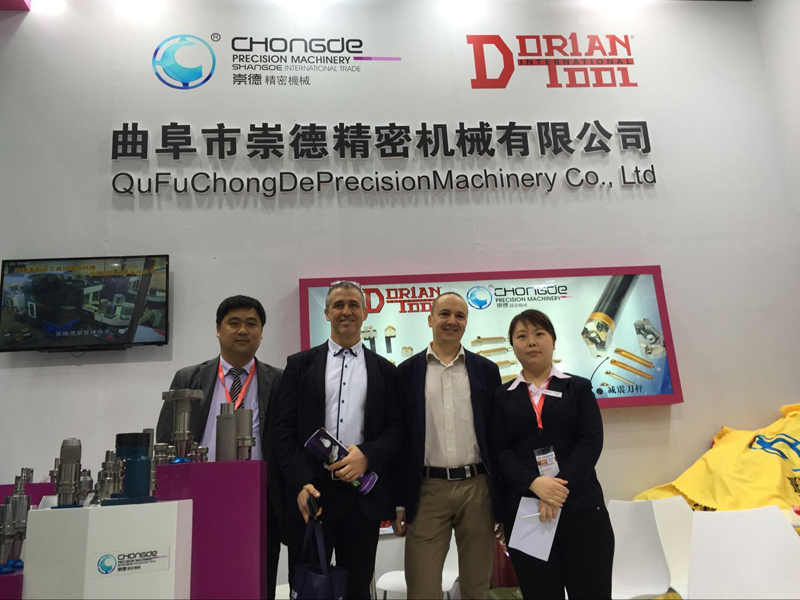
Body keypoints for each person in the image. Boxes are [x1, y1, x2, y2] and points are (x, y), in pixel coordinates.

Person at [272, 280, 402, 600]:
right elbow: (282, 430)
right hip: (312, 495)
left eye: (353, 305)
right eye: (339, 305)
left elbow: (396, 429)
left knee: (357, 590)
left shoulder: (385, 371)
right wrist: (301, 483)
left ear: (365, 312)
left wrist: (367, 456)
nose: (346, 311)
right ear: (327, 312)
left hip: (361, 497)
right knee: (309, 590)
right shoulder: (299, 365)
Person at [155, 295, 285, 600]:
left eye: (251, 324)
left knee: (258, 577)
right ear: (218, 329)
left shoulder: (279, 380)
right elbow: (165, 438)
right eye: (234, 323)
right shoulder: (189, 377)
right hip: (200, 495)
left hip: (260, 499)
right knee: (202, 576)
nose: (242, 331)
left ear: (261, 332)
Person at [491, 309, 614, 599]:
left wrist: (556, 491)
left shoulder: (578, 387)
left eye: (539, 334)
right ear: (513, 346)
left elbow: (590, 442)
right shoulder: (501, 396)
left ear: (553, 341)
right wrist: (535, 484)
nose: (531, 342)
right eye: (522, 336)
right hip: (527, 512)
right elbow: (500, 450)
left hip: (581, 507)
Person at [394, 292, 502, 600]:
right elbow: (400, 441)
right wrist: (399, 502)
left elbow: (497, 437)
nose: (452, 321)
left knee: (476, 587)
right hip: (427, 490)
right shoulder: (406, 372)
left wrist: (502, 500)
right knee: (422, 589)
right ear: (430, 319)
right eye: (444, 314)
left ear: (466, 322)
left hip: (477, 489)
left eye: (460, 315)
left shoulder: (486, 370)